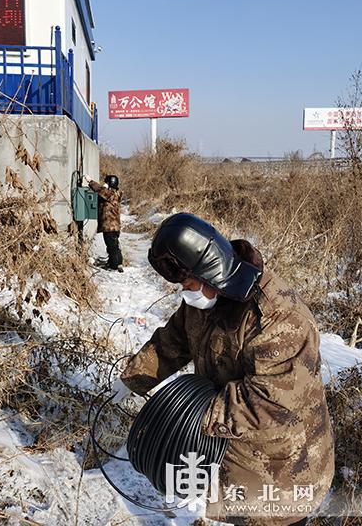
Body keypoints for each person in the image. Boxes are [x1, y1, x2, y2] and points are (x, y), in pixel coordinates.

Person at [111, 212, 334, 526]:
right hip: (235, 456)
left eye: (187, 283)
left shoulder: (278, 318)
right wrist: (134, 377)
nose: (184, 292)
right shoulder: (204, 298)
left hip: (285, 468)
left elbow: (271, 403)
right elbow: (174, 340)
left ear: (212, 274)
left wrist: (188, 418)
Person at [84, 173, 124, 272]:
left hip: (109, 226)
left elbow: (100, 190)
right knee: (115, 246)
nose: (105, 184)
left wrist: (90, 181)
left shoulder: (111, 194)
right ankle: (118, 263)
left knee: (111, 246)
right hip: (114, 226)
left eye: (106, 182)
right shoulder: (115, 193)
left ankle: (113, 266)